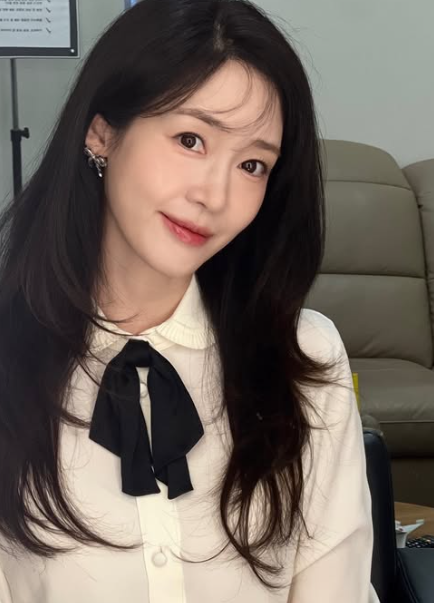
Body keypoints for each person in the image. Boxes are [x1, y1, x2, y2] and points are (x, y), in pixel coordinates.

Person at [0, 0, 380, 601]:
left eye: (252, 164)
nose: (214, 195)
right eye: (190, 139)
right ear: (102, 133)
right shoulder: (10, 360)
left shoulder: (305, 357)